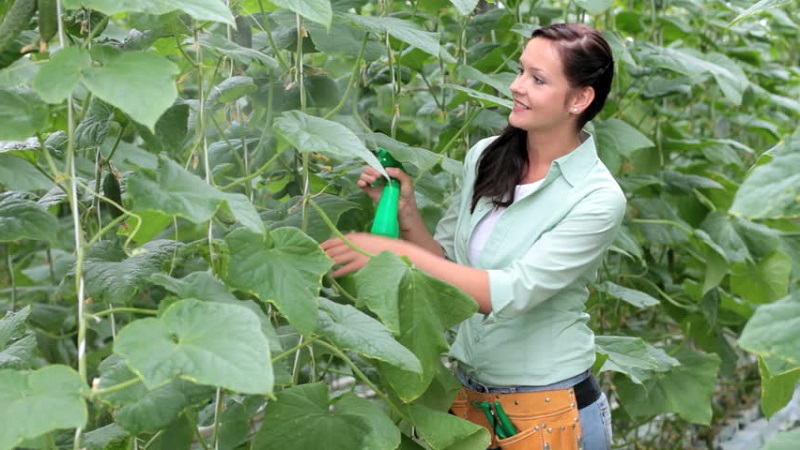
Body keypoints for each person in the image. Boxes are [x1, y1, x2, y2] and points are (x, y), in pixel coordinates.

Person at [322, 22, 624, 450]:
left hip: (548, 412)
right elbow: (449, 268)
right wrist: (405, 213)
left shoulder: (597, 198)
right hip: (469, 398)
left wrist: (390, 252)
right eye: (520, 71)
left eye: (537, 80)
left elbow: (511, 292)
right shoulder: (486, 156)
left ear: (580, 99)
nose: (517, 86)